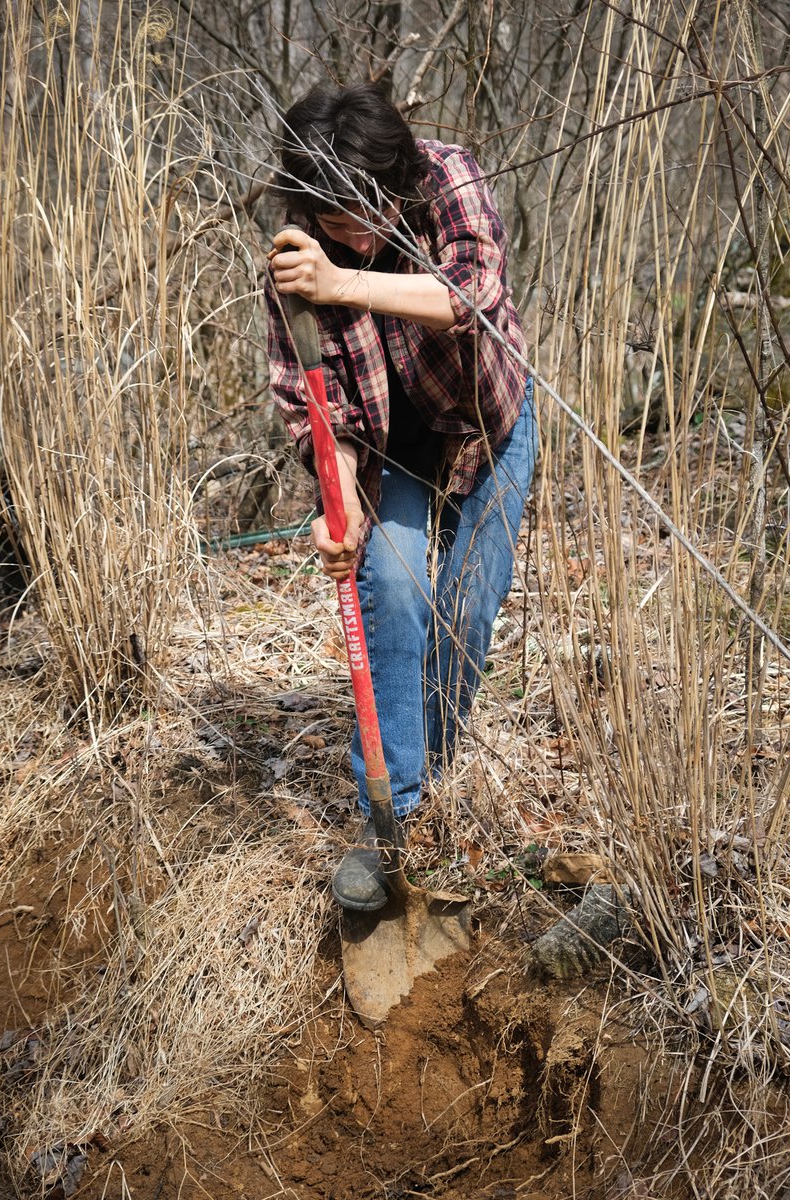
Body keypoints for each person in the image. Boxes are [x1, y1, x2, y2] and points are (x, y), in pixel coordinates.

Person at [265, 81, 537, 913]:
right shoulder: (295, 256)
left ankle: (431, 769)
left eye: (362, 208)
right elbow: (321, 406)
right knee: (388, 589)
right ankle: (389, 817)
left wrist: (343, 280)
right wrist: (337, 500)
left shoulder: (447, 176)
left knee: (465, 607)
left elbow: (470, 301)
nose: (349, 230)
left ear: (394, 174)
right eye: (332, 216)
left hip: (488, 425)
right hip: (393, 450)